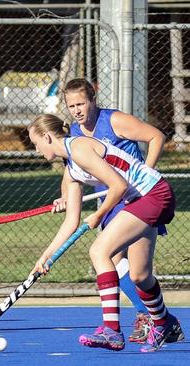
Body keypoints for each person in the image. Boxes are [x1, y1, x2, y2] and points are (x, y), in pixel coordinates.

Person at [28, 114, 184, 352]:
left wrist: (99, 215)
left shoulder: (79, 148)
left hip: (153, 193)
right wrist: (46, 256)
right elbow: (71, 221)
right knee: (140, 276)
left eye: (35, 143)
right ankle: (164, 323)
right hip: (140, 199)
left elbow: (118, 185)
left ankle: (112, 330)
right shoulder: (71, 171)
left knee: (100, 251)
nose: (36, 150)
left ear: (47, 136)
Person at [53, 78, 167, 343]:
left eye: (81, 103)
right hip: (114, 200)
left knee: (134, 269)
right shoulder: (75, 133)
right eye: (71, 106)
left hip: (137, 197)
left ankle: (154, 319)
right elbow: (72, 172)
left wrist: (145, 175)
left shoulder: (113, 120)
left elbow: (156, 136)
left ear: (93, 99)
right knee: (117, 262)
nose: (77, 110)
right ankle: (151, 317)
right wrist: (65, 197)